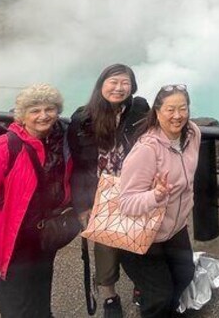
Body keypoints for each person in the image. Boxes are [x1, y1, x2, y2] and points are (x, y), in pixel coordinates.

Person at [0, 83, 73, 317]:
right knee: (17, 309)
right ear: (22, 115)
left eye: (49, 109)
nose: (43, 115)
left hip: (42, 240)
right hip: (10, 243)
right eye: (35, 110)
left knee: (40, 300)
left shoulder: (58, 142)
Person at [68, 64, 150, 317]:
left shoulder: (139, 109)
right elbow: (77, 165)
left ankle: (141, 285)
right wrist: (82, 204)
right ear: (101, 84)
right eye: (113, 82)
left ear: (132, 86)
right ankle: (109, 297)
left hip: (134, 187)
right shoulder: (83, 118)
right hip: (100, 191)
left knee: (140, 238)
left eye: (124, 82)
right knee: (106, 246)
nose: (118, 87)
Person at [118, 84, 200, 318]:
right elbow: (126, 202)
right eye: (170, 109)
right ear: (157, 111)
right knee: (159, 295)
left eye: (182, 108)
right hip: (144, 234)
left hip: (175, 227)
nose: (177, 115)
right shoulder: (147, 149)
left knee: (184, 274)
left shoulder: (192, 133)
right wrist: (155, 195)